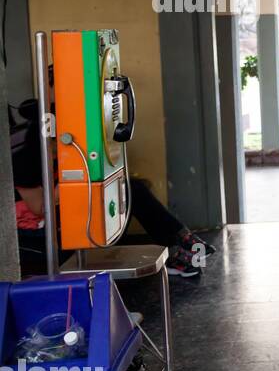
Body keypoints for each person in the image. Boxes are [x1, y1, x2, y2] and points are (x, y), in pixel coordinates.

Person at [10, 98, 215, 278]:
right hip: (39, 226)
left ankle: (181, 241)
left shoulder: (71, 151)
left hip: (68, 206)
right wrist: (77, 171)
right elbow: (39, 207)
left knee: (131, 189)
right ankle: (176, 251)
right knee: (119, 197)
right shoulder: (25, 161)